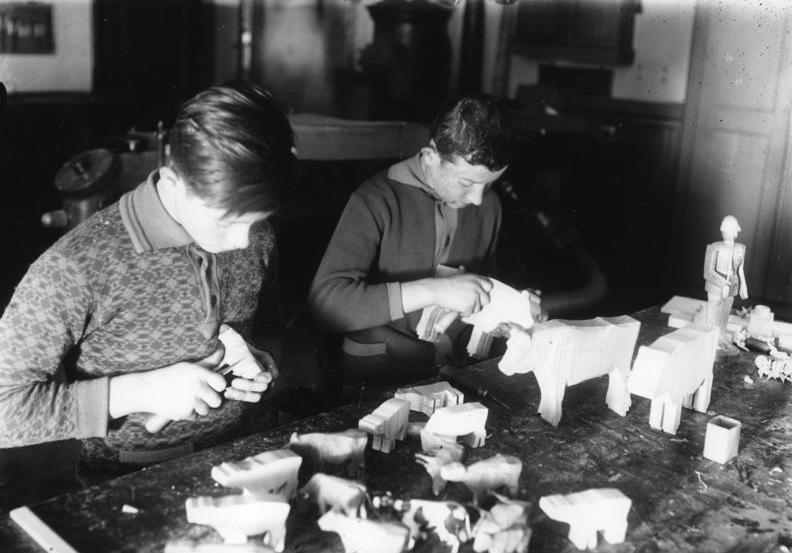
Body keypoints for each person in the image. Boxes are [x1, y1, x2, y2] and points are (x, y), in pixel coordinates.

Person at [0, 81, 297, 478]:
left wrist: (264, 357)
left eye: (255, 221)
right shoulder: (75, 266)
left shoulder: (255, 233)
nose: (244, 241)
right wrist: (139, 392)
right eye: (227, 222)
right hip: (133, 483)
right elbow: (4, 409)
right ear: (174, 183)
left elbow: (271, 323)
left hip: (251, 458)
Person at [309, 95, 513, 385]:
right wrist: (432, 290)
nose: (478, 199)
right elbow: (325, 306)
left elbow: (479, 296)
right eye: (467, 183)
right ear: (430, 157)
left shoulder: (490, 206)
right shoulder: (376, 200)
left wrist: (509, 309)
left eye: (490, 183)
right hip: (378, 372)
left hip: (451, 373)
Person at [704, 214, 748, 345]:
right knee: (713, 315)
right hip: (715, 286)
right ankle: (711, 340)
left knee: (725, 314)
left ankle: (721, 336)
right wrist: (722, 284)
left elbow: (740, 269)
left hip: (732, 286)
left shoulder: (740, 248)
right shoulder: (714, 247)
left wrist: (743, 285)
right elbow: (708, 272)